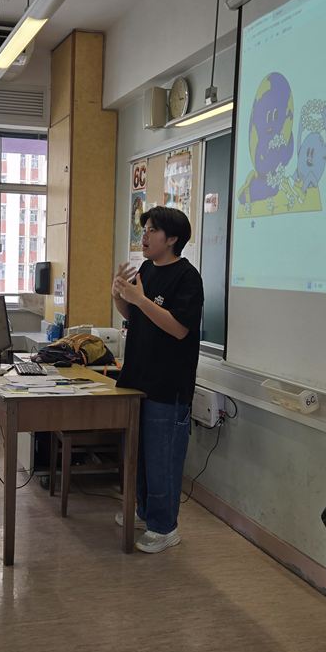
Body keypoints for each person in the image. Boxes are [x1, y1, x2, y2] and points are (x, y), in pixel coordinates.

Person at [112, 206, 204, 553]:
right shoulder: (147, 269)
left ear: (173, 238)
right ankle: (145, 512)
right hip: (138, 375)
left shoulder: (187, 277)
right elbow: (134, 315)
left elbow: (179, 328)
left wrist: (140, 298)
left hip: (168, 383)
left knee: (162, 458)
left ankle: (165, 528)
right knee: (138, 455)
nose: (145, 236)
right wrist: (120, 296)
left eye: (152, 230)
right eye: (144, 229)